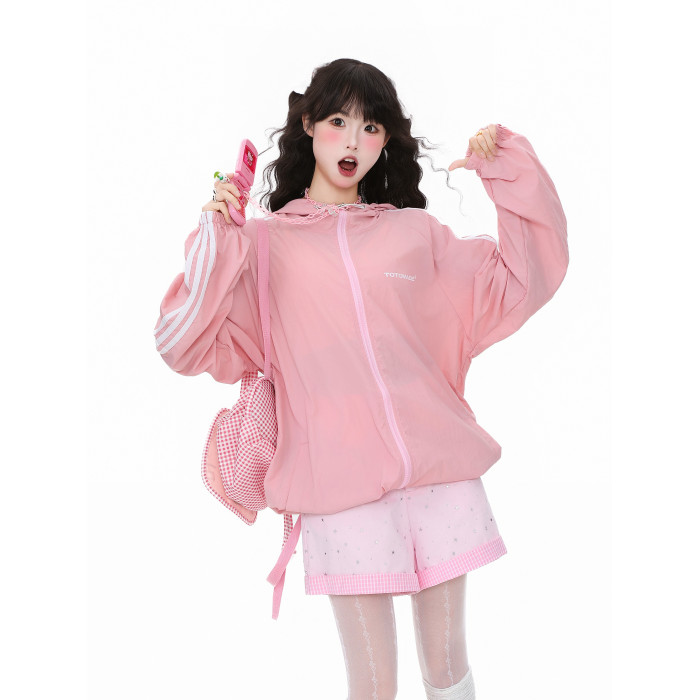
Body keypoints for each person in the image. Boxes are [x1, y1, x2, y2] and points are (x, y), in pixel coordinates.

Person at [153, 57, 568, 700]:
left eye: (371, 127)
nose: (353, 140)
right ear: (308, 125)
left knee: (448, 668)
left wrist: (507, 171)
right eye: (339, 121)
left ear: (384, 141)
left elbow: (521, 280)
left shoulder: (413, 233)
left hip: (440, 474)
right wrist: (217, 239)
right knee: (374, 685)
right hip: (337, 488)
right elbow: (181, 345)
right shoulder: (262, 246)